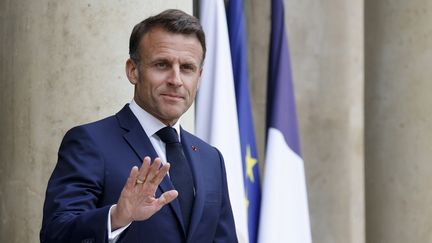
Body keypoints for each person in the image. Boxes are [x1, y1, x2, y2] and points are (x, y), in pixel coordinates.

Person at [40, 9, 238, 243]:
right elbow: (56, 234)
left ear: (199, 76)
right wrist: (116, 218)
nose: (176, 80)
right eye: (162, 65)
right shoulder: (90, 142)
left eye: (187, 68)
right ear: (133, 70)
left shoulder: (210, 157)